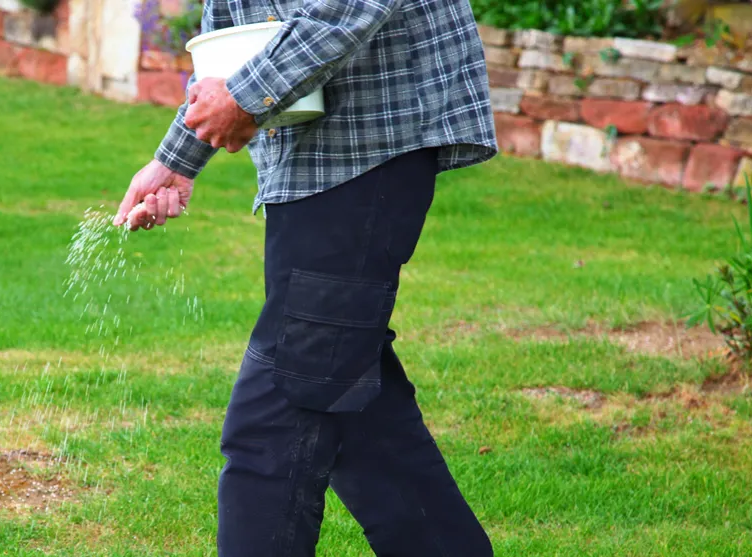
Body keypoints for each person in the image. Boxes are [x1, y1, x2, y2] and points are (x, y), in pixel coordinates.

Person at [112, 0, 499, 554]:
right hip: (305, 163)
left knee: (277, 412)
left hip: (369, 146)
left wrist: (245, 99)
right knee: (347, 393)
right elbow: (231, 33)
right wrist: (178, 157)